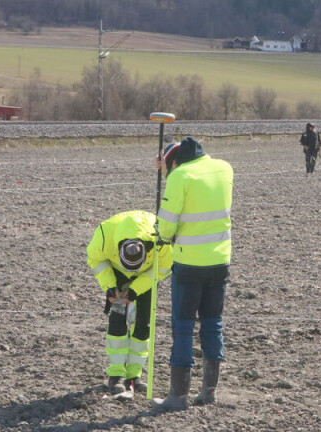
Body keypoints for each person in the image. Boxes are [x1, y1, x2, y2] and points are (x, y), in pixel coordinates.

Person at [152, 137, 234, 410]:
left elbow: (166, 225)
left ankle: (177, 397)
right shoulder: (224, 168)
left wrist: (161, 236)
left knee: (183, 327)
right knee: (213, 323)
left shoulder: (180, 175)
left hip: (188, 264)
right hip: (220, 260)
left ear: (174, 162)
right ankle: (209, 391)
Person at [87, 210, 172, 398]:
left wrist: (135, 290)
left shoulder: (160, 238)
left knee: (143, 323)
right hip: (116, 273)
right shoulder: (104, 235)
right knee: (117, 320)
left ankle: (134, 375)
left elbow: (164, 267)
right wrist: (110, 287)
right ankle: (116, 374)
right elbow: (96, 260)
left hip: (147, 274)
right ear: (119, 249)